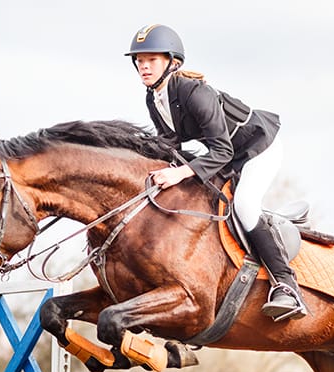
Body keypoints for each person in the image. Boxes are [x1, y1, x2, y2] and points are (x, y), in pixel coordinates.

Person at [125, 24, 307, 321]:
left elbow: (221, 150)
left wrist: (180, 174)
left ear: (173, 62)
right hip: (229, 154)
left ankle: (287, 285)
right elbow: (169, 144)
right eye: (139, 61)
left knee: (245, 207)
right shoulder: (154, 97)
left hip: (259, 148)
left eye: (151, 60)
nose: (144, 66)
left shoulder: (195, 92)